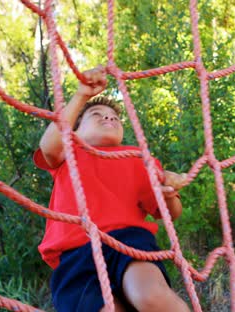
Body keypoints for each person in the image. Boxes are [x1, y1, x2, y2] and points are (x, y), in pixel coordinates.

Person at [33, 65, 191, 312]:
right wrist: (82, 95)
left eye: (115, 117)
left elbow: (170, 213)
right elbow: (48, 146)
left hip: (129, 240)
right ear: (74, 131)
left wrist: (168, 194)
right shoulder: (68, 154)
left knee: (150, 296)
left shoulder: (138, 159)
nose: (108, 118)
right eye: (96, 114)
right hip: (76, 252)